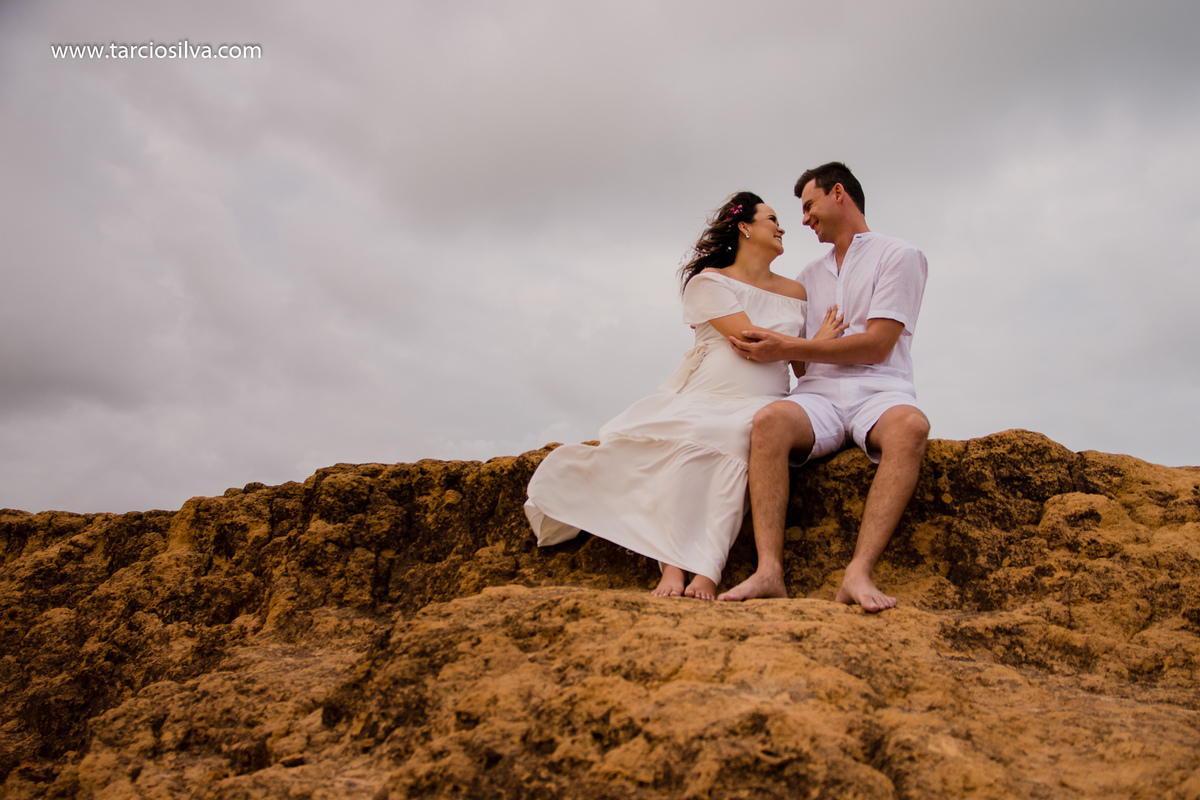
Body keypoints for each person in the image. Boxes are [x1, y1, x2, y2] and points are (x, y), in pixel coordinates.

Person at [524, 192, 845, 600]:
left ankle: (707, 571)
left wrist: (815, 350)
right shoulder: (708, 281)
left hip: (763, 402)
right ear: (744, 227)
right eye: (772, 219)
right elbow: (748, 340)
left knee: (736, 438)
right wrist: (814, 342)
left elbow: (798, 368)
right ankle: (673, 566)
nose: (782, 227)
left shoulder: (797, 292)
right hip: (706, 394)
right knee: (693, 436)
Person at [718, 162, 929, 612]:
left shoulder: (899, 255)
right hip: (820, 393)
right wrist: (787, 347)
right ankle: (768, 570)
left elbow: (876, 346)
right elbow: (801, 362)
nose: (804, 218)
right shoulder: (807, 277)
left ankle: (858, 571)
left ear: (839, 193)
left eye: (809, 205)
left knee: (911, 427)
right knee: (770, 420)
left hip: (881, 387)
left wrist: (792, 345)